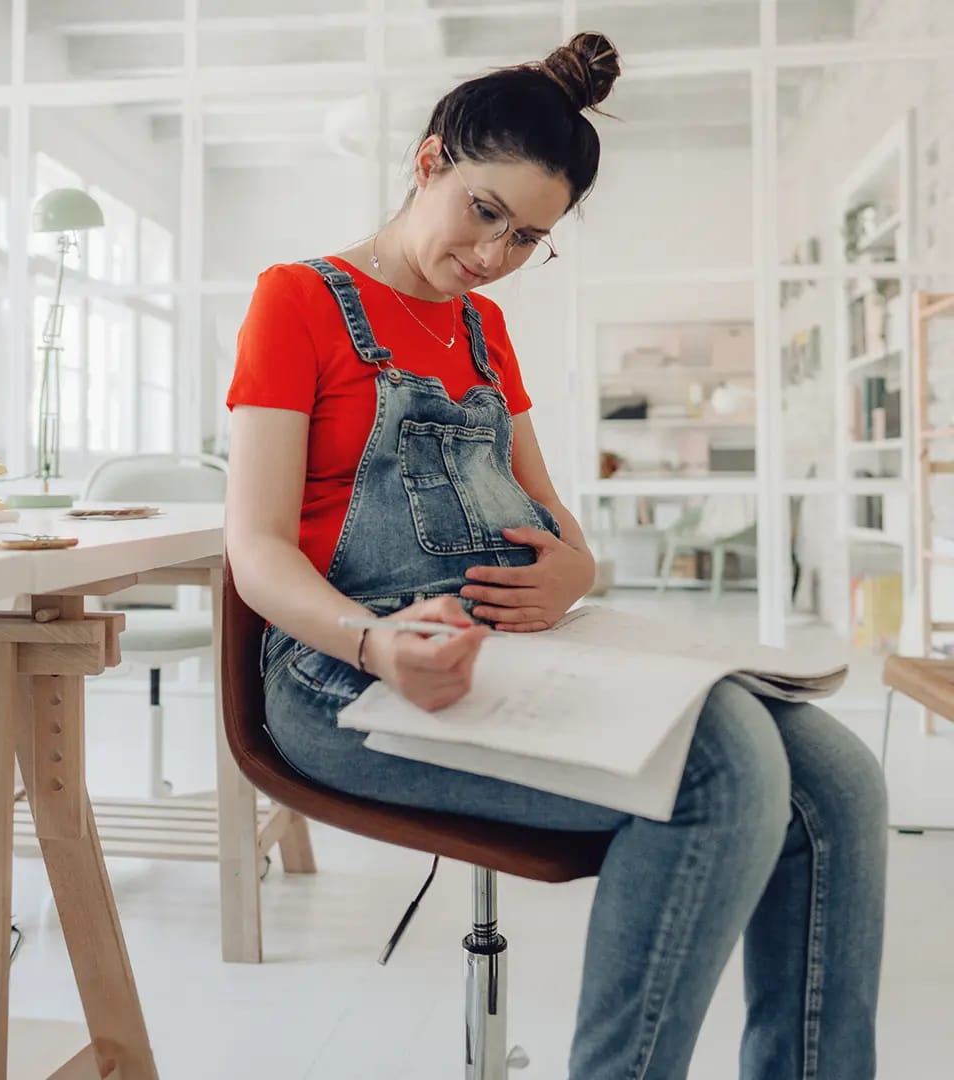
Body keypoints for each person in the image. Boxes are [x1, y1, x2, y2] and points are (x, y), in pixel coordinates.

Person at [221, 31, 887, 1080]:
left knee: (841, 778)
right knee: (721, 764)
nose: (494, 257)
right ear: (430, 160)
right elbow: (253, 549)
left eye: (529, 238)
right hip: (342, 672)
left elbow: (558, 526)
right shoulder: (298, 300)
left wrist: (580, 570)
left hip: (510, 648)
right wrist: (376, 641)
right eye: (485, 214)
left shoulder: (485, 331)